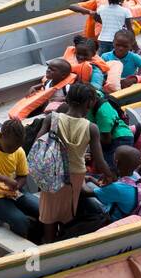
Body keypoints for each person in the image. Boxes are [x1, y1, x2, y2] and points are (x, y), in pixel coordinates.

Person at [33, 81, 114, 243]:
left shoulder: (52, 118)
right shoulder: (91, 128)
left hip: (51, 172)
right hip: (75, 175)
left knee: (49, 212)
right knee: (67, 211)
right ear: (90, 103)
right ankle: (62, 241)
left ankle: (49, 244)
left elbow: (37, 143)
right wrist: (110, 176)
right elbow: (99, 160)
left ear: (67, 100)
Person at [69, 0, 135, 54]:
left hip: (106, 41)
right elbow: (72, 6)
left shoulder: (103, 8)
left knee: (104, 59)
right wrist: (90, 12)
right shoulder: (98, 4)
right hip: (93, 42)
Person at [86, 146, 141, 222]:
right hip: (128, 210)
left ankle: (99, 217)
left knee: (88, 186)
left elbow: (86, 193)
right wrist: (92, 179)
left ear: (116, 162)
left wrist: (85, 178)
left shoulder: (117, 187)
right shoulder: (136, 175)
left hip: (115, 218)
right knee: (93, 183)